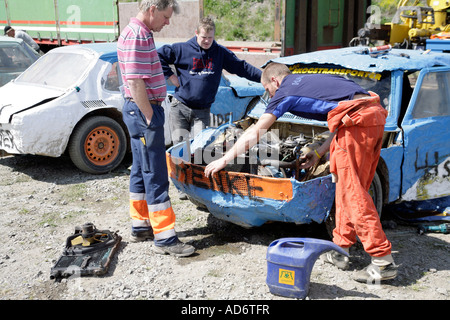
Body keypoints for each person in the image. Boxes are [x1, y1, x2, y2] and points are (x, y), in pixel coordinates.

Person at [204, 62, 398, 283]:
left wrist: (225, 159)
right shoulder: (309, 80)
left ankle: (383, 261)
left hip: (357, 125)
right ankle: (341, 249)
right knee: (349, 189)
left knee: (353, 193)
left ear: (275, 81)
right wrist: (319, 151)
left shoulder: (285, 90)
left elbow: (256, 131)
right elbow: (348, 111)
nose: (270, 95)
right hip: (370, 120)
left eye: (268, 90)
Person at [117, 0, 195, 257]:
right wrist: (150, 117)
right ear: (152, 10)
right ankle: (165, 237)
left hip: (137, 111)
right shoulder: (139, 35)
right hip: (144, 111)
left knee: (141, 169)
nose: (167, 22)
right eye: (165, 16)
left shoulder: (135, 32)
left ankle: (140, 225)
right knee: (156, 173)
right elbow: (136, 80)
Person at [157, 16, 262, 199]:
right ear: (196, 33)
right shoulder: (181, 49)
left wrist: (264, 77)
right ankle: (181, 186)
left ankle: (197, 183)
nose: (206, 41)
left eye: (210, 38)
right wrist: (170, 76)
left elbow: (241, 67)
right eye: (203, 37)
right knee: (180, 147)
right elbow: (158, 56)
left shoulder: (219, 53)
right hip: (180, 106)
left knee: (200, 148)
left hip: (202, 111)